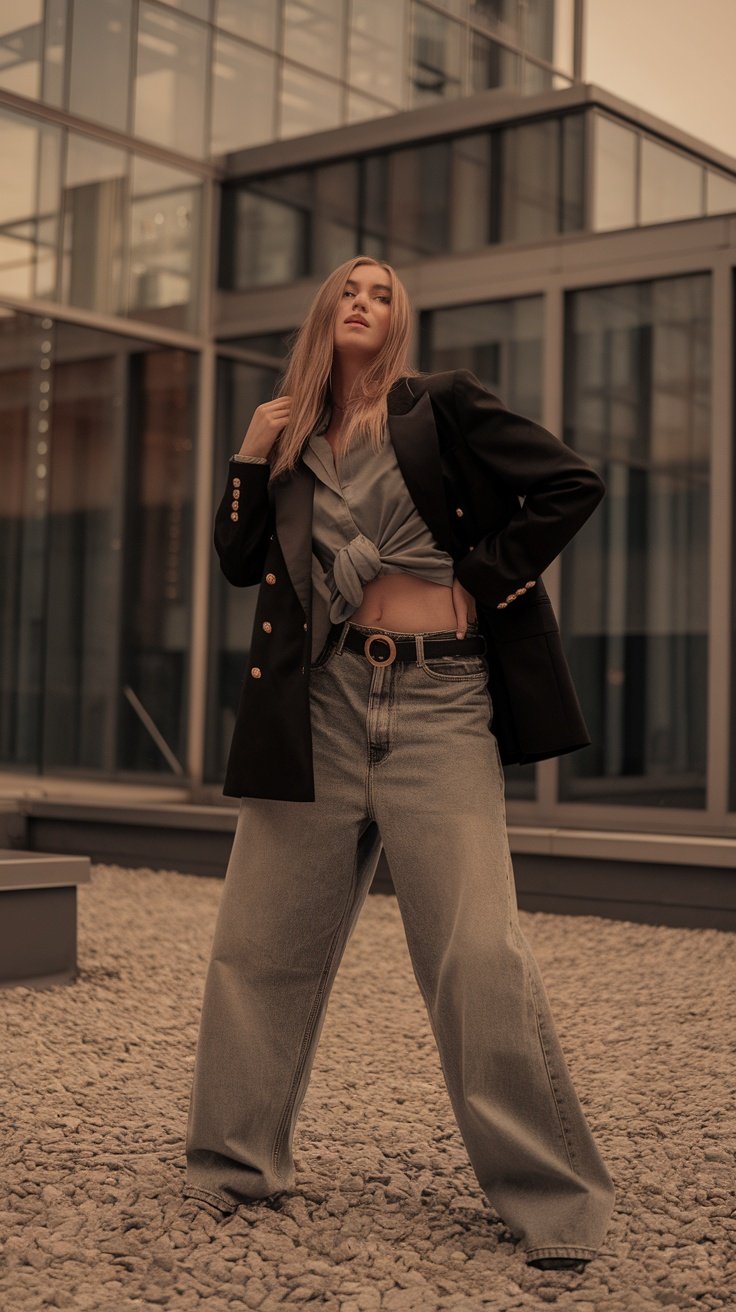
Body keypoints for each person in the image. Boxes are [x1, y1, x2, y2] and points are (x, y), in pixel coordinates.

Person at [183, 256, 616, 1273]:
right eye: (350, 288)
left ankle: (554, 1198)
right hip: (323, 704)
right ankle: (233, 1163)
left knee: (476, 954)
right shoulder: (290, 442)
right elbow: (239, 557)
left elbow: (570, 483)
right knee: (259, 945)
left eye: (382, 292)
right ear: (324, 313)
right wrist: (250, 454)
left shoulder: (440, 409)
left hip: (439, 703)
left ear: (399, 319)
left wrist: (482, 580)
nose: (364, 302)